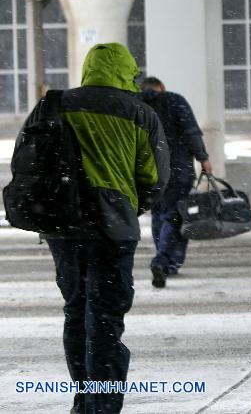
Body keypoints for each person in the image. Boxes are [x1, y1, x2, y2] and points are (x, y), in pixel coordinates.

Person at [30, 43, 170, 414]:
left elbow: (30, 164)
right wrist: (128, 207)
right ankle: (103, 405)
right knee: (105, 316)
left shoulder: (56, 104)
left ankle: (83, 398)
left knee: (76, 310)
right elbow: (154, 178)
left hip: (64, 226)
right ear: (128, 72)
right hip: (113, 229)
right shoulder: (140, 113)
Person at [141, 76, 212, 288]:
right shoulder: (175, 101)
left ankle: (167, 260)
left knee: (158, 214)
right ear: (161, 87)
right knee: (175, 216)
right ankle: (164, 261)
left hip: (149, 171)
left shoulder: (139, 105)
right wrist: (203, 157)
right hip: (178, 169)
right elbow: (191, 132)